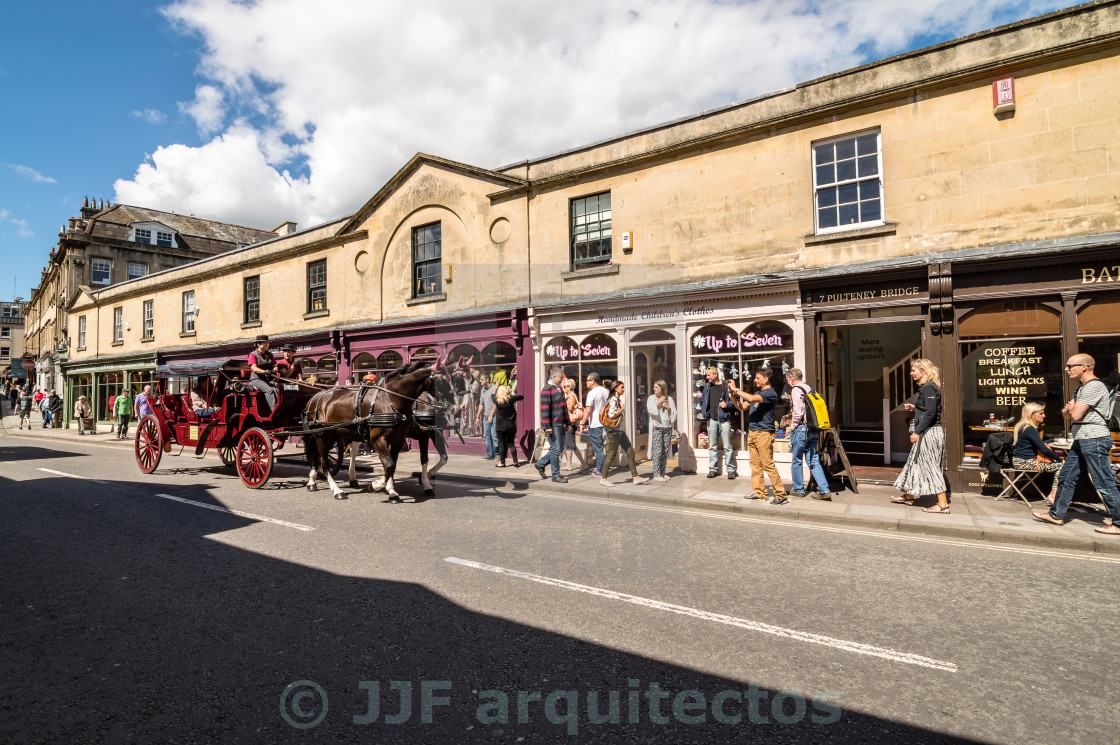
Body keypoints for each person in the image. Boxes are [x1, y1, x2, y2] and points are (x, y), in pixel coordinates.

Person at [1035, 354, 1120, 535]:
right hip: (1082, 439)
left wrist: (1072, 408)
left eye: (1070, 366)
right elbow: (1065, 414)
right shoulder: (1079, 389)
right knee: (1066, 476)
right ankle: (1057, 514)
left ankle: (1119, 523)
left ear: (1084, 367)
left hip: (1094, 439)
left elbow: (1074, 415)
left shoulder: (1094, 386)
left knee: (1103, 482)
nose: (1066, 369)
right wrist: (1070, 408)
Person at [891, 359, 949, 513]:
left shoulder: (929, 387)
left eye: (914, 370)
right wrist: (915, 407)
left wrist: (917, 431)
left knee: (931, 467)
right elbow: (928, 408)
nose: (911, 373)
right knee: (914, 462)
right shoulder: (928, 387)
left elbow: (931, 413)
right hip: (928, 431)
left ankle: (943, 504)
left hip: (929, 432)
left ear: (923, 371)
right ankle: (909, 495)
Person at [729, 368, 788, 504]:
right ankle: (760, 493)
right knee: (755, 465)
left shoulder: (770, 393)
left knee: (768, 464)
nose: (755, 380)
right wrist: (732, 395)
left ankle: (781, 494)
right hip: (753, 432)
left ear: (766, 379)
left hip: (764, 433)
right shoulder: (757, 392)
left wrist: (736, 389)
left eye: (757, 378)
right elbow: (742, 406)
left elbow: (750, 398)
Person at [785, 368, 832, 500]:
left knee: (797, 460)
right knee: (813, 459)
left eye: (788, 379)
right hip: (813, 428)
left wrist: (793, 427)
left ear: (792, 378)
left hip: (801, 429)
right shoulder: (811, 388)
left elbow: (798, 412)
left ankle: (798, 489)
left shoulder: (796, 390)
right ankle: (824, 490)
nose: (788, 382)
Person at [1008, 402, 1064, 505]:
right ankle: (1053, 495)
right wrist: (1061, 459)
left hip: (1019, 461)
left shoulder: (1022, 426)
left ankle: (1053, 494)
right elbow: (1044, 450)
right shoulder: (1030, 428)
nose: (1044, 416)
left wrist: (1052, 440)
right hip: (1026, 462)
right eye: (1041, 413)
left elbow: (1036, 444)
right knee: (1061, 466)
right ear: (1032, 414)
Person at [600, 380, 650, 487]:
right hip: (613, 432)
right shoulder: (613, 399)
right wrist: (622, 408)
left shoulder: (617, 399)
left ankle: (635, 477)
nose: (624, 389)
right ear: (616, 388)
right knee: (611, 454)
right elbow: (612, 414)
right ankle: (603, 478)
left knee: (630, 452)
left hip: (620, 431)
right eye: (622, 387)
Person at [699, 366, 737, 479]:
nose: (707, 377)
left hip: (724, 419)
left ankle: (730, 470)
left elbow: (735, 401)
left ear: (715, 374)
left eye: (708, 375)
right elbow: (703, 401)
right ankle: (712, 469)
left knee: (727, 446)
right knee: (712, 446)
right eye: (706, 375)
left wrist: (727, 405)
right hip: (712, 420)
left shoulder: (726, 385)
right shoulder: (707, 387)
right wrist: (705, 413)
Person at [535, 367, 570, 483]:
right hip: (553, 425)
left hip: (560, 424)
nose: (562, 380)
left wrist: (567, 422)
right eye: (560, 377)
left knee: (559, 448)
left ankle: (540, 464)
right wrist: (547, 426)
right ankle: (555, 475)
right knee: (555, 449)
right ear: (553, 377)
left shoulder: (558, 389)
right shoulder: (547, 389)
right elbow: (544, 409)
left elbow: (563, 407)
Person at [579, 372, 609, 478]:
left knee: (598, 449)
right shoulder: (606, 391)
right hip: (605, 423)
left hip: (596, 424)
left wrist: (582, 423)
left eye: (587, 380)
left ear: (593, 381)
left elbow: (588, 410)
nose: (585, 382)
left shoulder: (592, 393)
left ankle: (600, 471)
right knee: (601, 447)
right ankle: (600, 468)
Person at [646, 380, 676, 482]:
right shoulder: (651, 399)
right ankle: (656, 473)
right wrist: (658, 402)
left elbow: (674, 414)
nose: (654, 389)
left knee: (664, 451)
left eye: (656, 387)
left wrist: (668, 408)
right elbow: (651, 411)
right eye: (654, 387)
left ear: (662, 388)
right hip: (657, 427)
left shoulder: (670, 399)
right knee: (657, 451)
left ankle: (663, 472)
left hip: (667, 428)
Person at [489, 384, 524, 467]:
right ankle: (516, 462)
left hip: (500, 426)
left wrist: (496, 387)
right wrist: (511, 395)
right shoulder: (511, 399)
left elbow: (492, 395)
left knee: (501, 444)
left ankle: (502, 462)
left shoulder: (497, 401)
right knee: (511, 443)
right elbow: (521, 397)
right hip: (511, 426)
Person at [561, 377, 589, 472]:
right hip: (568, 423)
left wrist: (564, 400)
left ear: (570, 387)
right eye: (563, 386)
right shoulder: (569, 395)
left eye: (565, 386)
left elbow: (570, 408)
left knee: (571, 444)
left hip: (571, 423)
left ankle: (583, 464)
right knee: (569, 445)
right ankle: (570, 464)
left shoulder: (572, 395)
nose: (564, 388)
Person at [247, 335, 278, 412]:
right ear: (258, 344)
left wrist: (274, 370)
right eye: (265, 343)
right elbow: (253, 368)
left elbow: (275, 366)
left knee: (278, 390)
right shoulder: (253, 355)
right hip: (256, 379)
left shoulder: (270, 354)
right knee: (269, 390)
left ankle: (281, 409)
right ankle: (275, 412)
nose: (267, 345)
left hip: (268, 379)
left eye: (268, 343)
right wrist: (264, 372)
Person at [476, 373, 498, 460]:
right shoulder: (483, 390)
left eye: (482, 379)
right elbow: (481, 404)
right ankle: (490, 455)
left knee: (494, 436)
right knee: (486, 436)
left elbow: (496, 404)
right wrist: (477, 417)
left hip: (494, 415)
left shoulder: (494, 388)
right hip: (485, 416)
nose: (480, 381)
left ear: (487, 379)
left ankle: (497, 454)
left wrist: (491, 415)